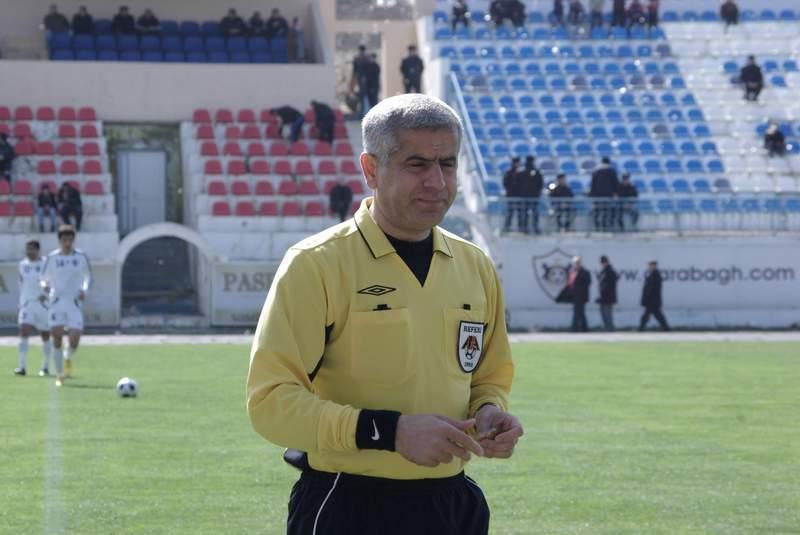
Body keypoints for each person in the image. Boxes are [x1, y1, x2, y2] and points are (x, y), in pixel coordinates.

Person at [247, 94, 522, 535]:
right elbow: (270, 404)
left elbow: (487, 377)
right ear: (371, 169)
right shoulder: (315, 264)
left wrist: (490, 412)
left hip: (454, 504)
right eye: (417, 165)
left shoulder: (475, 266)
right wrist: (389, 432)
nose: (436, 181)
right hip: (348, 502)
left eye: (447, 164)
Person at [41, 225, 92, 386]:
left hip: (74, 303)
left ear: (73, 240)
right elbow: (43, 278)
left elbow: (88, 277)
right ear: (59, 241)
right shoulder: (52, 257)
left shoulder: (81, 257)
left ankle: (67, 356)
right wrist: (44, 286)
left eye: (70, 240)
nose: (67, 243)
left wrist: (84, 290)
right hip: (57, 302)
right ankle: (59, 374)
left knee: (75, 338)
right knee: (56, 335)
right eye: (64, 240)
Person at [13, 241, 53, 377]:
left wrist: (46, 295)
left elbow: (52, 282)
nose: (29, 251)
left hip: (43, 305)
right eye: (27, 249)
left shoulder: (46, 264)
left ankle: (45, 366)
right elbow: (21, 284)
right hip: (27, 304)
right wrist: (22, 301)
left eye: (32, 249)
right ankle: (22, 367)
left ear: (38, 250)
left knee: (45, 335)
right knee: (23, 330)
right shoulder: (22, 265)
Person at [590, 157, 620, 231]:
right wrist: (616, 193)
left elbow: (593, 185)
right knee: (607, 210)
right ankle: (605, 225)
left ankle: (597, 225)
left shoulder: (596, 172)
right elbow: (615, 184)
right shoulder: (611, 171)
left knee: (598, 210)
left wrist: (592, 195)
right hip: (608, 195)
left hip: (597, 196)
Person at [639, 260, 669, 331]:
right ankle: (666, 328)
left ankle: (641, 329)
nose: (650, 267)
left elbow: (652, 288)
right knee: (657, 315)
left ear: (655, 266)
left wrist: (647, 297)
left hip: (652, 300)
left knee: (649, 315)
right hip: (652, 300)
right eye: (650, 265)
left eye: (652, 265)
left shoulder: (656, 275)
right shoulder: (652, 275)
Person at [517, 156, 544, 234]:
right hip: (532, 196)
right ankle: (534, 228)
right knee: (533, 213)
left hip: (526, 196)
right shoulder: (535, 172)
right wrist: (537, 192)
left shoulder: (522, 172)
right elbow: (540, 184)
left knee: (526, 213)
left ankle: (525, 228)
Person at [567, 256, 591, 332]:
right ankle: (582, 328)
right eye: (575, 263)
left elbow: (587, 283)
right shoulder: (572, 272)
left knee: (579, 312)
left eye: (577, 263)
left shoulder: (585, 272)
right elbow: (570, 283)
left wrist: (579, 291)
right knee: (579, 312)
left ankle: (576, 328)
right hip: (575, 296)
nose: (576, 264)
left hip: (581, 296)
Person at [596, 255, 617, 332]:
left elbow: (608, 285)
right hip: (604, 297)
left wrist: (603, 295)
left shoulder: (610, 271)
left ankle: (610, 329)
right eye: (602, 262)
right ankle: (607, 328)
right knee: (604, 313)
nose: (602, 264)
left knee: (607, 314)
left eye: (603, 262)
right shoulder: (604, 271)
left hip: (608, 297)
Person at [349, 45, 371, 119]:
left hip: (362, 80)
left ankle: (362, 113)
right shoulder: (365, 58)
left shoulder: (362, 59)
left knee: (363, 97)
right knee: (361, 97)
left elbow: (354, 71)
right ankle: (361, 113)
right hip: (362, 81)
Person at [502, 157, 521, 233]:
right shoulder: (509, 172)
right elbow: (505, 183)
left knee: (520, 212)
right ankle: (507, 227)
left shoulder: (520, 172)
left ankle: (521, 227)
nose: (517, 164)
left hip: (519, 196)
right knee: (510, 212)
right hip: (511, 195)